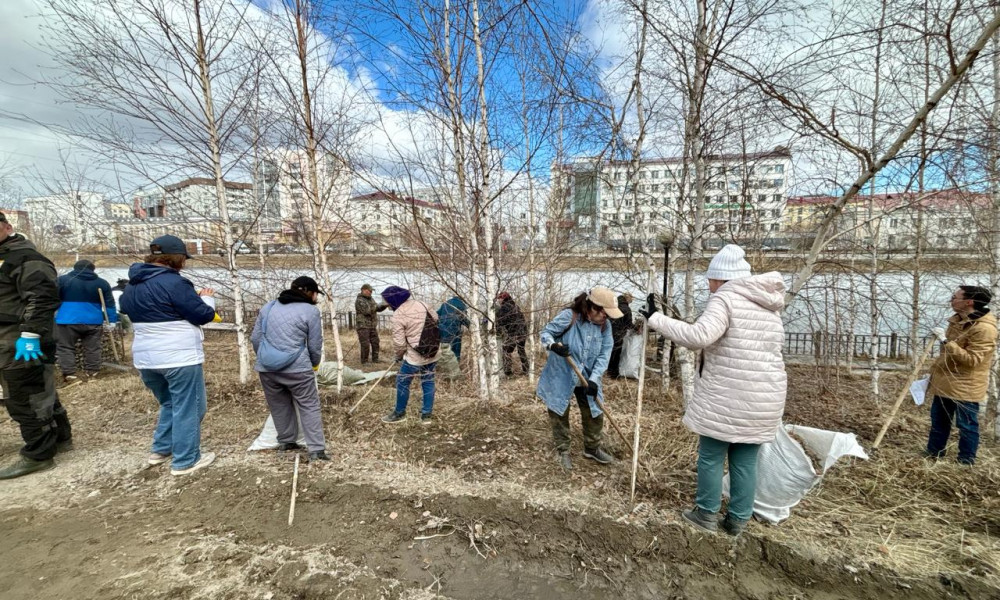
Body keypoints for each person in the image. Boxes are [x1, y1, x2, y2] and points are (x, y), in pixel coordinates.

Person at [640, 244, 786, 537]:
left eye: (711, 279)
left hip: (730, 396)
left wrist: (655, 319)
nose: (708, 285)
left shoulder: (726, 298)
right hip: (765, 398)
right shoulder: (768, 304)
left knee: (711, 455)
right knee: (745, 460)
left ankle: (706, 513)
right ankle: (737, 520)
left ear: (722, 278)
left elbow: (699, 337)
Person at [120, 234, 219, 476]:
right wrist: (206, 298)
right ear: (176, 259)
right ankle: (186, 460)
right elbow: (203, 315)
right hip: (178, 356)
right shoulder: (175, 283)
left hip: (145, 357)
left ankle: (161, 450)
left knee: (169, 403)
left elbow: (134, 309)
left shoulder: (132, 285)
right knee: (191, 407)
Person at [0, 211, 73, 479]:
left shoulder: (25, 258)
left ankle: (38, 454)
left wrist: (30, 335)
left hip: (20, 340)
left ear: (7, 227)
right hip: (7, 339)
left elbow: (42, 297)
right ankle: (61, 439)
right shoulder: (5, 257)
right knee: (41, 391)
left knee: (24, 396)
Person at [537, 287, 621, 470]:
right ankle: (563, 450)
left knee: (595, 411)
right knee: (559, 412)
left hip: (588, 375)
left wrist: (595, 378)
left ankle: (592, 448)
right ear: (592, 307)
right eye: (604, 313)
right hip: (562, 373)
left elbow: (605, 354)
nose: (606, 318)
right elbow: (545, 333)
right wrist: (553, 346)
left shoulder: (605, 327)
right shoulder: (570, 316)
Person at [251, 276, 328, 462]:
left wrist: (265, 357)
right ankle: (316, 450)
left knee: (279, 405)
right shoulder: (310, 311)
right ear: (310, 292)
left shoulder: (268, 307)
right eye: (316, 293)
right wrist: (314, 363)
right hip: (297, 369)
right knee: (309, 406)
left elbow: (255, 338)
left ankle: (286, 441)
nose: (316, 297)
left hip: (267, 369)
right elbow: (315, 344)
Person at [925, 285, 997, 466]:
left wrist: (945, 341)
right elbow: (948, 353)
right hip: (945, 381)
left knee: (967, 426)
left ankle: (966, 462)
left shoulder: (984, 329)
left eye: (955, 297)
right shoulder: (957, 320)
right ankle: (934, 454)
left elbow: (973, 360)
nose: (951, 300)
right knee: (939, 421)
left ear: (969, 302)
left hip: (966, 386)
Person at [381, 285, 439, 424]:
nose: (387, 305)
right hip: (433, 351)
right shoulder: (422, 304)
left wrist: (398, 356)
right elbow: (436, 319)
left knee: (402, 381)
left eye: (388, 302)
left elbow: (400, 344)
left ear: (394, 300)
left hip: (415, 356)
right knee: (428, 381)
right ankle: (426, 416)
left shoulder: (398, 315)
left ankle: (399, 413)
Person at [54, 259, 118, 385]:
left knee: (66, 347)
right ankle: (92, 372)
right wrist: (112, 321)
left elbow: (53, 299)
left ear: (74, 268)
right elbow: (109, 304)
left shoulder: (62, 280)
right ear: (93, 269)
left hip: (67, 319)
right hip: (93, 320)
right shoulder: (102, 283)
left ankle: (70, 374)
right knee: (93, 348)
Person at [496, 292, 528, 377]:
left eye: (499, 298)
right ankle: (526, 371)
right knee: (521, 351)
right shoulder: (515, 306)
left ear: (503, 298)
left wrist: (496, 330)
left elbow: (500, 321)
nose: (498, 300)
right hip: (523, 332)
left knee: (506, 350)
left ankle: (508, 372)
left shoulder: (504, 308)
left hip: (514, 333)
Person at [355, 283, 388, 364]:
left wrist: (384, 305)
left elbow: (377, 309)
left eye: (371, 291)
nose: (370, 292)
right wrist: (378, 306)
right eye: (369, 291)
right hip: (363, 326)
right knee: (365, 344)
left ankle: (375, 359)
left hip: (372, 326)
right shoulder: (359, 300)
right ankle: (364, 361)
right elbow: (367, 311)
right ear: (363, 290)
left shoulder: (371, 299)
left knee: (376, 342)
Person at [608, 293, 634, 378]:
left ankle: (607, 370)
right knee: (616, 354)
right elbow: (628, 324)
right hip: (618, 334)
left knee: (608, 352)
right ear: (628, 299)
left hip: (608, 333)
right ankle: (614, 374)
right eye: (631, 300)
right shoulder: (626, 309)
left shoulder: (614, 307)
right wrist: (637, 328)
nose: (631, 301)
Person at [437, 296, 469, 360]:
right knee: (455, 349)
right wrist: (470, 326)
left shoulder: (445, 303)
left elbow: (437, 314)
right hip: (455, 329)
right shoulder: (462, 305)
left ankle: (443, 364)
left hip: (442, 329)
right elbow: (464, 319)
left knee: (444, 348)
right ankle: (456, 364)